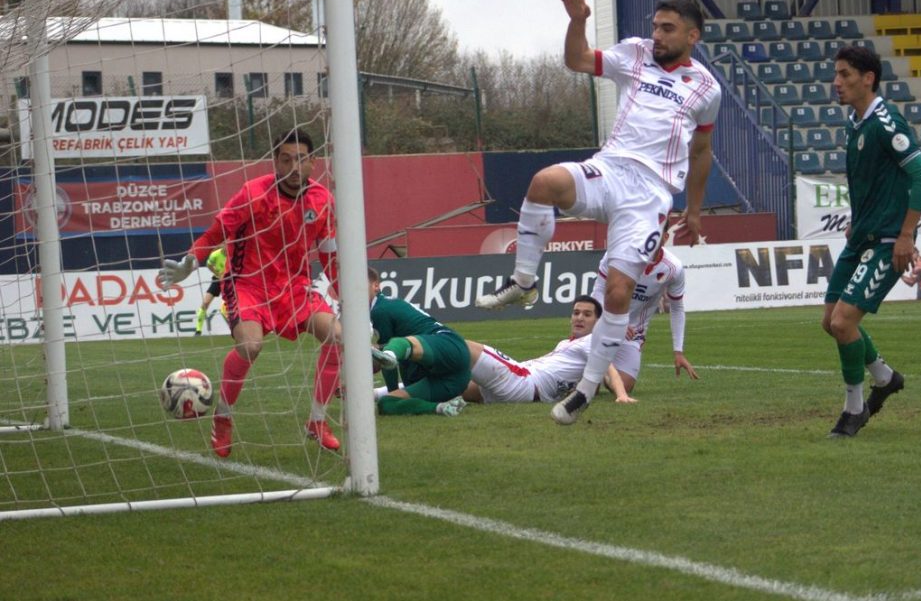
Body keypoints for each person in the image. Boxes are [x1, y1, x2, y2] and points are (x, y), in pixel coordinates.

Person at [474, 0, 721, 427]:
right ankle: (524, 281)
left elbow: (701, 152)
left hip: (651, 195)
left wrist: (696, 211)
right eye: (655, 26)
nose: (657, 35)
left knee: (618, 293)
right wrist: (577, 20)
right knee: (544, 182)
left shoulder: (705, 88)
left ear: (692, 35)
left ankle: (585, 390)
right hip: (609, 170)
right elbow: (578, 60)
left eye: (667, 28)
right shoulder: (635, 53)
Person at [158, 129, 343, 456]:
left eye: (300, 159)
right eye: (286, 159)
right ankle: (224, 417)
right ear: (276, 161)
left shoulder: (322, 201)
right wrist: (191, 261)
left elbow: (329, 256)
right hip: (248, 284)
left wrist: (350, 301)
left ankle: (316, 421)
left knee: (338, 337)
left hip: (295, 288)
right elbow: (215, 234)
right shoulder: (253, 193)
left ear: (313, 162)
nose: (293, 166)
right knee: (250, 345)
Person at [821, 45, 921, 439]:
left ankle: (854, 409)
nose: (837, 82)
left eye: (845, 74)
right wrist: (858, 219)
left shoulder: (887, 123)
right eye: (836, 74)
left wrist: (905, 235)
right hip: (863, 235)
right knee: (829, 323)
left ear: (868, 78)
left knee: (843, 322)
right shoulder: (857, 123)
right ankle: (885, 377)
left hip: (888, 241)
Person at [453, 296, 635, 405]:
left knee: (458, 345)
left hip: (523, 381)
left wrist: (621, 395)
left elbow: (609, 370)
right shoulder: (566, 343)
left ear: (598, 322)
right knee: (453, 386)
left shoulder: (593, 340)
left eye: (587, 315)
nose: (579, 318)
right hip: (521, 388)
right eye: (576, 312)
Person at [590, 221, 697, 393]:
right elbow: (599, 291)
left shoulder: (673, 268)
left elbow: (677, 308)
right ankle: (585, 369)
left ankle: (602, 372)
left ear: (665, 237)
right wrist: (613, 320)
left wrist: (678, 351)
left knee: (624, 387)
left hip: (634, 332)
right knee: (588, 388)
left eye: (657, 234)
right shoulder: (617, 253)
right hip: (603, 321)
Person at [368, 268, 470, 417]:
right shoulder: (380, 308)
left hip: (447, 343)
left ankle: (391, 354)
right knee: (386, 404)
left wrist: (392, 388)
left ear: (376, 286)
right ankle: (442, 408)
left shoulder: (380, 310)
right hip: (449, 379)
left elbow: (386, 362)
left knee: (398, 345)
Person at [194, 247, 227, 336]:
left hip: (229, 282)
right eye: (226, 243)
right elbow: (208, 264)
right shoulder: (215, 254)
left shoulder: (233, 254)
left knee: (228, 307)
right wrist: (217, 273)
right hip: (217, 280)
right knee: (205, 303)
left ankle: (235, 328)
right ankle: (198, 330)